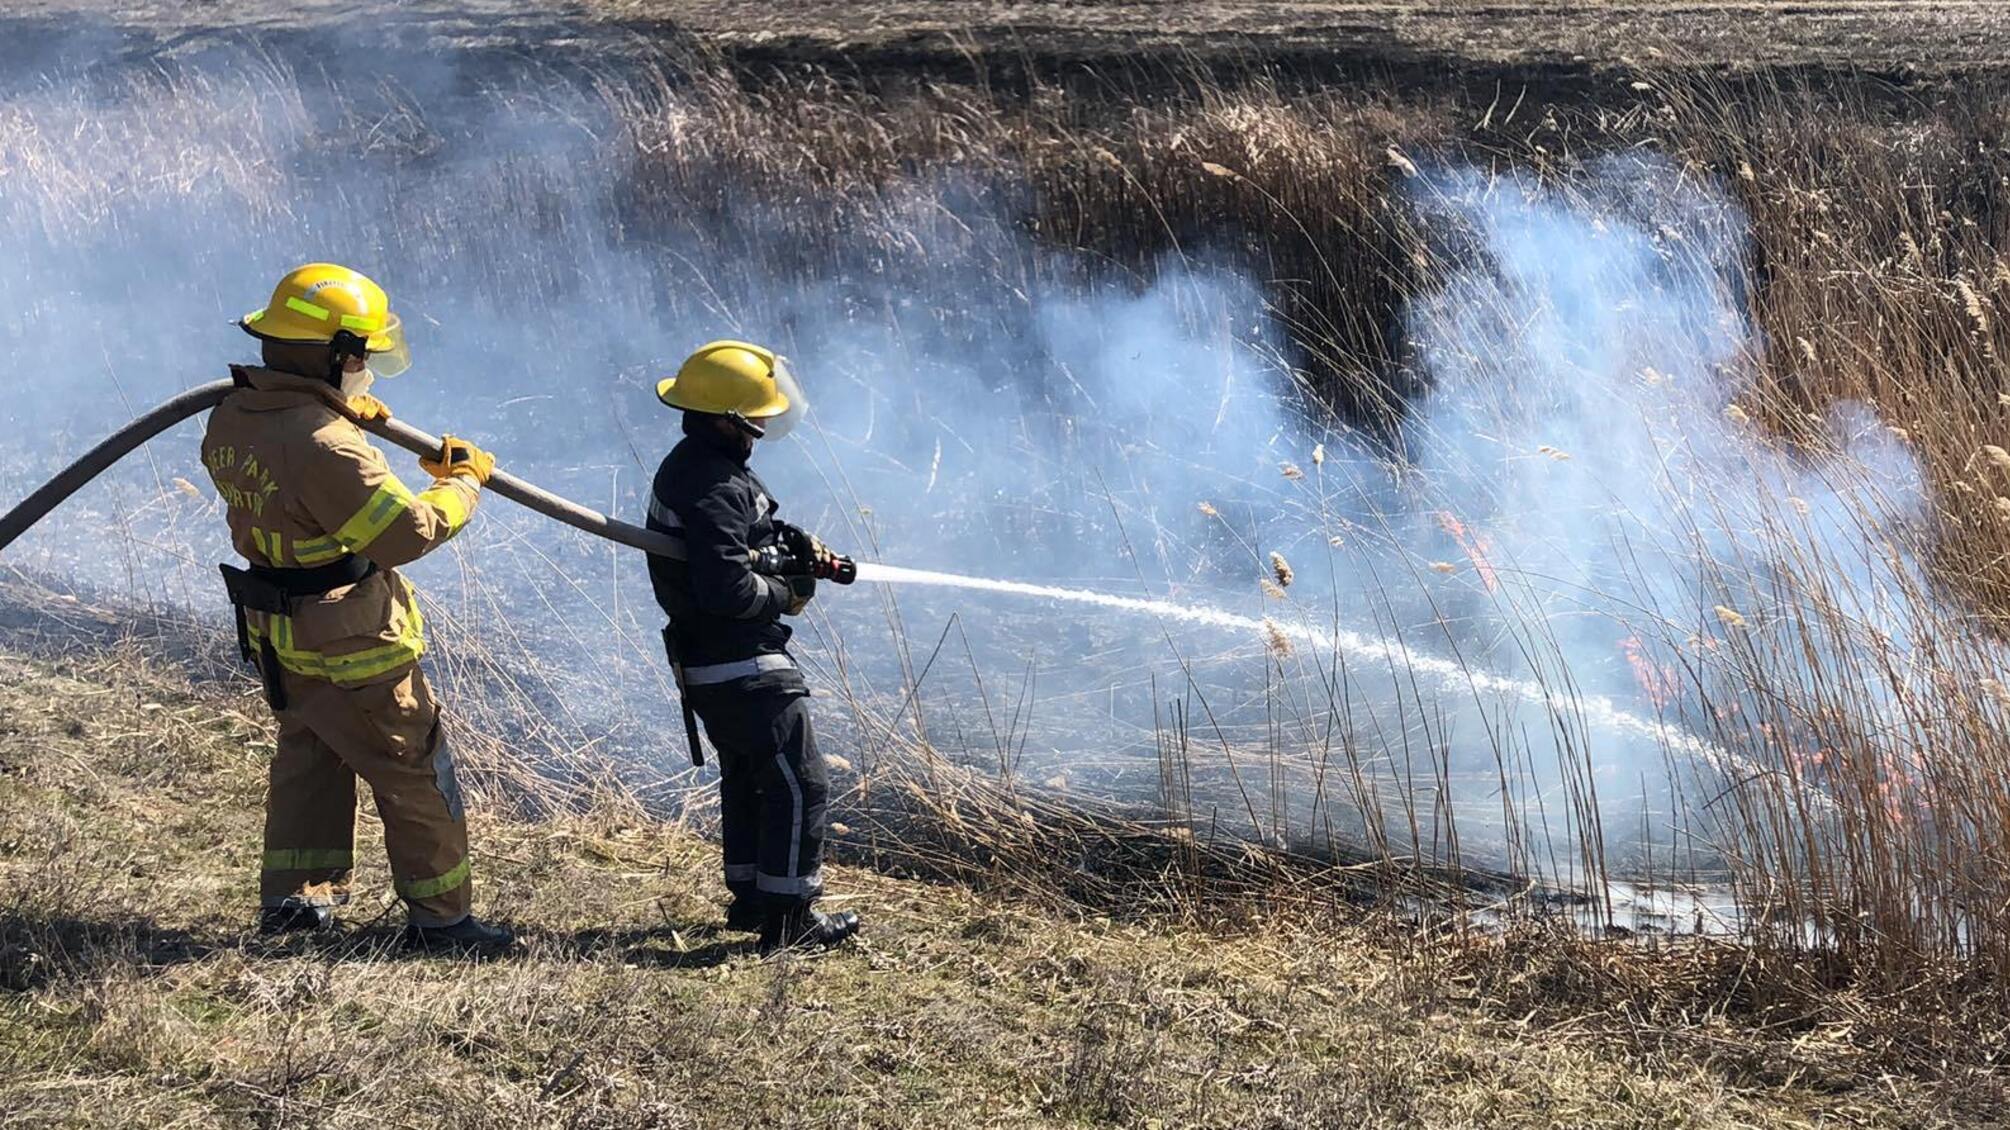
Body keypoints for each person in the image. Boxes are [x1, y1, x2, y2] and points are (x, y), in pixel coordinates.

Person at [203, 262, 513, 953]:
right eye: (362, 357)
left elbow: (293, 480)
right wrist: (463, 483)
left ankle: (293, 903)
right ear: (339, 356)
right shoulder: (323, 443)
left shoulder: (235, 413)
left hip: (281, 630)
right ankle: (445, 925)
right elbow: (405, 533)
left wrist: (343, 413)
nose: (367, 367)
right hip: (352, 639)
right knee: (412, 766)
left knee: (310, 754)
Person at [646, 340, 860, 953]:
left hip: (713, 659)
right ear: (728, 416)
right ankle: (790, 919)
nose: (765, 423)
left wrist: (784, 540)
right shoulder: (711, 480)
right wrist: (786, 591)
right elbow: (726, 587)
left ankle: (753, 898)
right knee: (801, 780)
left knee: (751, 775)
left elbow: (733, 543)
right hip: (738, 657)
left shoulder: (701, 464)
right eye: (757, 414)